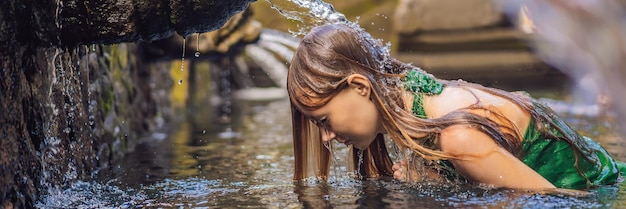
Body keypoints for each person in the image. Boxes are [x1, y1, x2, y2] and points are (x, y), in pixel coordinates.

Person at [286, 22, 626, 190]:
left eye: (324, 120)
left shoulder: (455, 137)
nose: (327, 136)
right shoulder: (416, 99)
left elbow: (554, 203)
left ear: (359, 87)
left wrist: (445, 187)